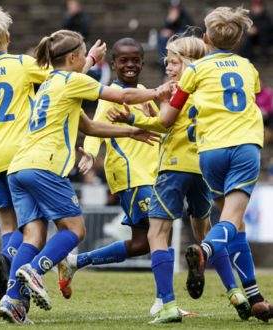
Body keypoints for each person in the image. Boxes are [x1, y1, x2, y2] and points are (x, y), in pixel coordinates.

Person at [0, 29, 162, 324]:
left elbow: (90, 127)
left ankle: (12, 300)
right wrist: (158, 92)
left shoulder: (49, 82)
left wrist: (132, 131)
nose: (88, 59)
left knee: (32, 236)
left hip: (18, 168)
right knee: (75, 230)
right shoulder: (72, 81)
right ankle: (36, 270)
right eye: (84, 55)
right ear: (73, 57)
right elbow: (122, 94)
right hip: (45, 166)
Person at [0, 3, 105, 301]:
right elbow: (63, 77)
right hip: (22, 155)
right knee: (34, 227)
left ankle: (9, 270)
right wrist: (91, 58)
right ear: (7, 38)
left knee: (8, 223)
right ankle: (9, 263)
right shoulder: (21, 63)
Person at [108, 33, 250, 324]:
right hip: (202, 170)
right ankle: (235, 292)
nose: (169, 68)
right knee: (204, 233)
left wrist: (132, 119)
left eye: (173, 62)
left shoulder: (180, 89)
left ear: (188, 63)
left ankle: (168, 305)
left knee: (156, 234)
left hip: (173, 168)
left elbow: (164, 124)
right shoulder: (210, 90)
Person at [157, 6, 273, 322]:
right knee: (232, 219)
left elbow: (168, 117)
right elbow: (253, 96)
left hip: (209, 152)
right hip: (244, 147)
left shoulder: (194, 71)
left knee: (234, 224)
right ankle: (205, 251)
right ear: (237, 41)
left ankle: (254, 296)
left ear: (206, 38)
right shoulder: (248, 68)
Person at [57, 37, 167, 316]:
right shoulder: (110, 94)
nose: (130, 65)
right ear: (114, 64)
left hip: (151, 174)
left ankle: (75, 262)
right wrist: (90, 155)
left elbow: (161, 127)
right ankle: (164, 300)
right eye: (123, 60)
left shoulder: (145, 92)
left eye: (135, 60)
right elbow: (95, 129)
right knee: (160, 233)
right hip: (130, 174)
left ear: (142, 62)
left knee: (142, 243)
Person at [157, 0, 193, 76]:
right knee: (162, 37)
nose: (174, 9)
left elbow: (188, 29)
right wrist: (170, 21)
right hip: (172, 38)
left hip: (182, 37)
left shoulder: (184, 15)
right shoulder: (170, 15)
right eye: (173, 7)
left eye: (176, 7)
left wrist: (173, 33)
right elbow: (165, 28)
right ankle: (163, 59)